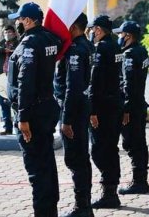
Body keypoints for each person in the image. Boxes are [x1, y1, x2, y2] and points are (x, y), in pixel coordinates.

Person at [7, 2, 62, 217]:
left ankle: (43, 212)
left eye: (19, 20)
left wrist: (23, 117)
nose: (17, 24)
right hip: (47, 106)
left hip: (33, 111)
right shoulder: (50, 39)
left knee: (37, 168)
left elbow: (25, 81)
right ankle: (50, 210)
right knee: (47, 162)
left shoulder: (29, 44)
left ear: (28, 21)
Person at [54, 13, 94, 217]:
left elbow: (73, 87)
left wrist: (66, 119)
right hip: (82, 106)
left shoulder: (76, 50)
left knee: (76, 159)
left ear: (74, 26)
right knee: (82, 158)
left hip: (74, 110)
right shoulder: (88, 46)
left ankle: (82, 207)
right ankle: (85, 204)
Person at [87, 15, 124, 209]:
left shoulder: (101, 49)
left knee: (100, 150)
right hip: (115, 104)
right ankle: (111, 190)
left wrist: (91, 110)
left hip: (102, 108)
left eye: (93, 30)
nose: (92, 33)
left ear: (99, 30)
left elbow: (95, 81)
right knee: (111, 148)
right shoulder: (117, 46)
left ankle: (108, 192)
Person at [114, 21, 149, 195]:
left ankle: (139, 182)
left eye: (121, 34)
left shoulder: (128, 55)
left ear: (128, 36)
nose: (119, 37)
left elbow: (128, 84)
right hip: (139, 103)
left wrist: (126, 109)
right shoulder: (141, 50)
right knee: (140, 143)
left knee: (133, 144)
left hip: (132, 106)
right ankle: (141, 179)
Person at [0, 25, 19, 135]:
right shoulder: (1, 43)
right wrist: (3, 50)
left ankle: (18, 126)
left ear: (14, 33)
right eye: (5, 32)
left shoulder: (18, 43)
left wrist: (12, 51)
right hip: (2, 78)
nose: (7, 34)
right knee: (3, 103)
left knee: (16, 102)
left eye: (10, 32)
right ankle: (7, 127)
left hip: (14, 77)